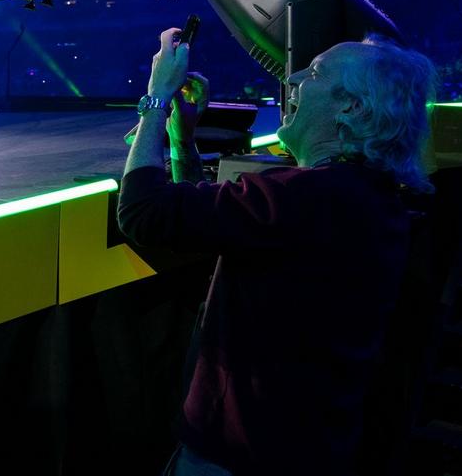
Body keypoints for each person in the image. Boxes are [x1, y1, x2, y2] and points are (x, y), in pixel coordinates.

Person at [117, 30, 436, 476]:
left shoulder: (302, 198)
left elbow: (142, 212)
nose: (295, 78)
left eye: (316, 73)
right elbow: (209, 229)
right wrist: (182, 139)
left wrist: (156, 98)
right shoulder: (370, 199)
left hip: (237, 457)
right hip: (309, 449)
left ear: (351, 107)